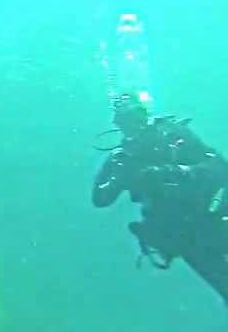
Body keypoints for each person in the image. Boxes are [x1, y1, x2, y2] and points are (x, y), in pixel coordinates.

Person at [92, 92, 228, 302]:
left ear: (145, 114)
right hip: (180, 235)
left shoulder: (175, 136)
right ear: (118, 125)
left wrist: (177, 172)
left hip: (209, 217)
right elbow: (100, 198)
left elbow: (219, 168)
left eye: (135, 117)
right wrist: (118, 178)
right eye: (125, 121)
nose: (133, 126)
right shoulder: (121, 158)